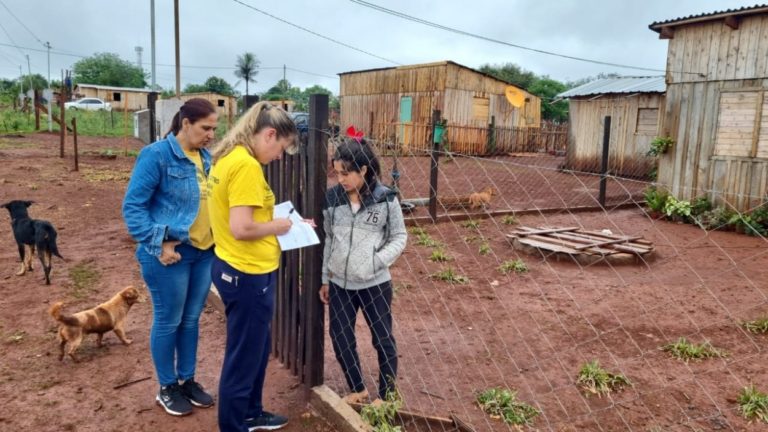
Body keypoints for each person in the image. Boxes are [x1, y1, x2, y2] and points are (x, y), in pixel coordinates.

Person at [122, 98, 218, 416]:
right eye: (206, 128)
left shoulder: (206, 158)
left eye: (215, 129)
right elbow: (133, 208)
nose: (211, 135)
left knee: (190, 320)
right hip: (170, 254)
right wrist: (159, 241)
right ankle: (167, 386)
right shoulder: (157, 155)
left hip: (204, 252)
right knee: (168, 319)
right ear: (186, 123)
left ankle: (187, 379)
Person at [207, 101, 299, 432]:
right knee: (243, 359)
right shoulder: (245, 166)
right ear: (269, 134)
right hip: (247, 274)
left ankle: (250, 412)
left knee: (255, 349)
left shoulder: (228, 157)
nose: (278, 156)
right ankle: (234, 424)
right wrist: (279, 227)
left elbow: (244, 216)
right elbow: (242, 227)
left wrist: (289, 222)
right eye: (281, 148)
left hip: (235, 267)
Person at [319, 136, 407, 404]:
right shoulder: (332, 198)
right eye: (336, 173)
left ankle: (387, 395)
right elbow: (330, 239)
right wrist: (326, 278)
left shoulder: (386, 198)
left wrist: (375, 261)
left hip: (375, 283)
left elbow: (399, 237)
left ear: (364, 170)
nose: (340, 179)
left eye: (346, 173)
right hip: (340, 284)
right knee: (341, 337)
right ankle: (358, 388)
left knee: (382, 339)